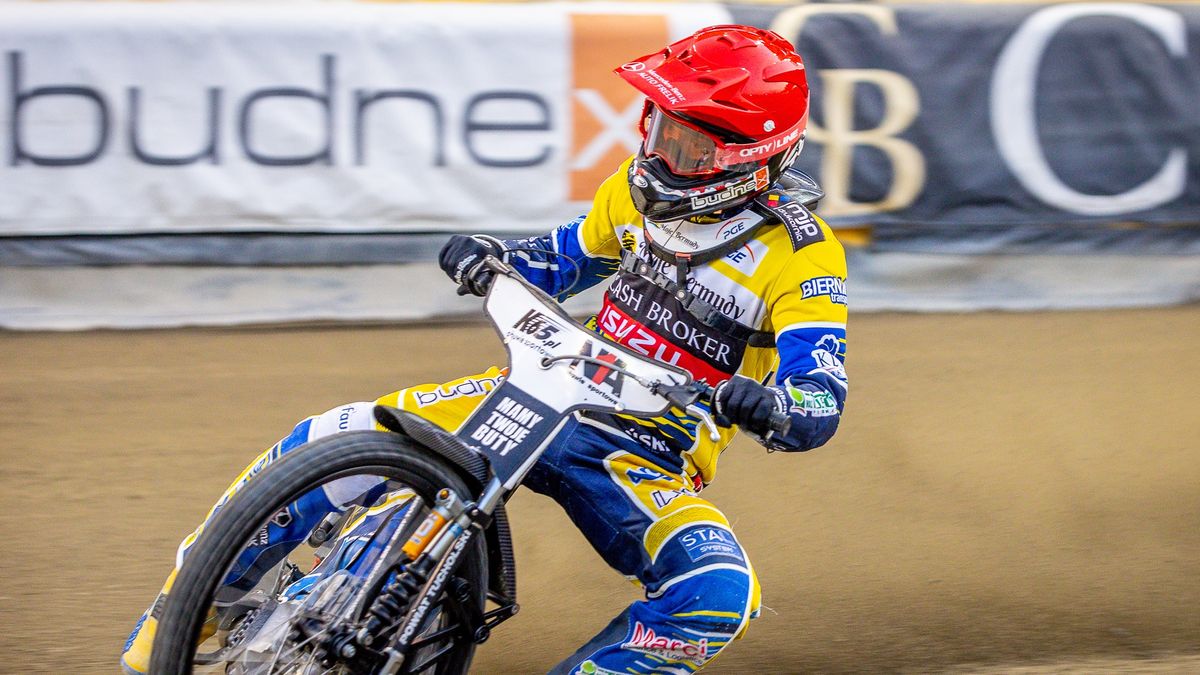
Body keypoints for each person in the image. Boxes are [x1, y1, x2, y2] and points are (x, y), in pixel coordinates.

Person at [122, 24, 847, 674]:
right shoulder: (631, 191)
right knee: (332, 435)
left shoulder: (805, 257)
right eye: (658, 128)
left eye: (687, 147)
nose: (658, 155)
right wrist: (492, 257)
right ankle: (182, 614)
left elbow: (819, 395)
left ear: (751, 159)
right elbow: (560, 261)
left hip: (648, 447)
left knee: (718, 593)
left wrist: (775, 407)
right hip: (544, 387)